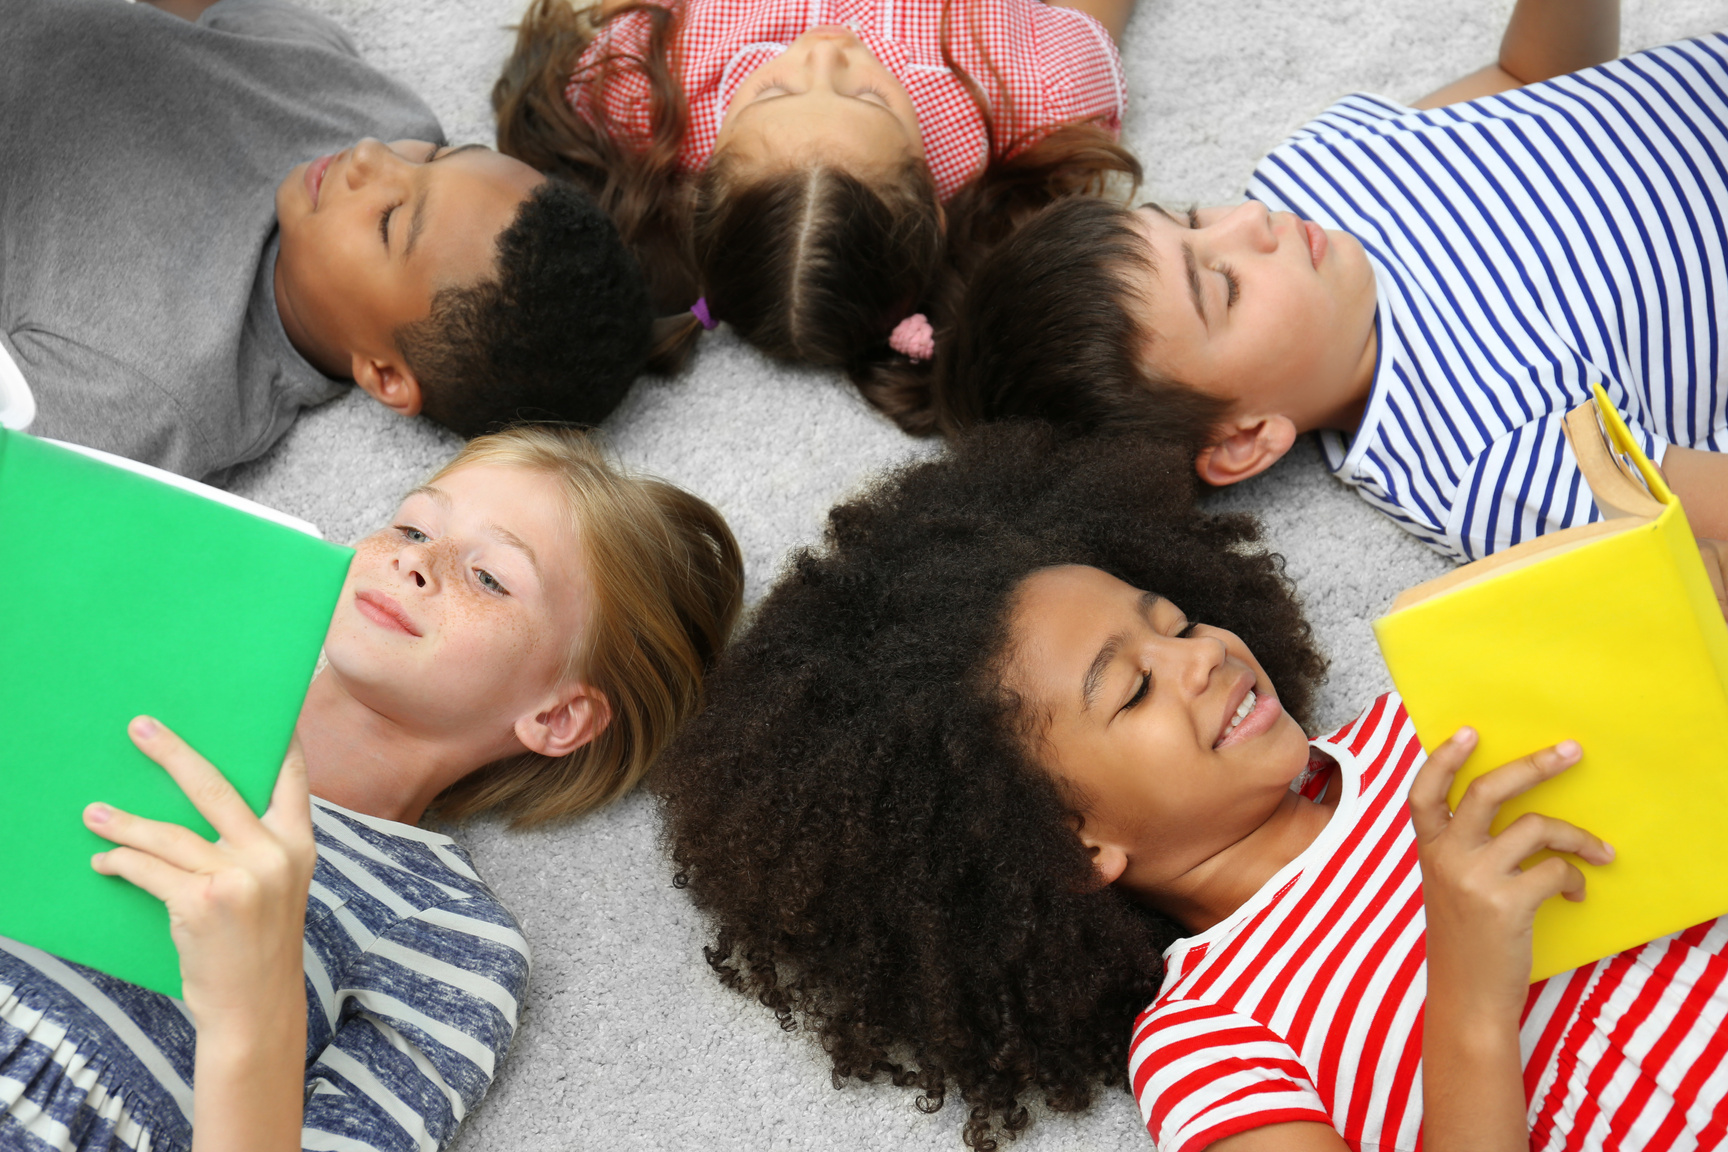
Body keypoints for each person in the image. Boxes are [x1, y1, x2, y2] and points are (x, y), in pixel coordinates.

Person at [653, 424, 1728, 1151]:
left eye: (1172, 619)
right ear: (1070, 843)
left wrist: (1673, 590)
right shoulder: (1207, 1037)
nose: (1202, 654)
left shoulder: (1428, 719)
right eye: (1131, 691)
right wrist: (1472, 983)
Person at [1, 425, 743, 1151]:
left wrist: (250, 1011)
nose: (416, 564)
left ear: (557, 714)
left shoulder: (450, 936)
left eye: (489, 577)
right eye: (413, 528)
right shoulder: (127, 674)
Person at [940, 0, 1728, 563]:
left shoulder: (1314, 172)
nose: (1249, 224)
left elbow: (1529, 77)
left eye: (1188, 218)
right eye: (1224, 286)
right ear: (1247, 438)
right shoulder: (1480, 459)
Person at [2, 0, 654, 483]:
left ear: (385, 375)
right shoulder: (368, 114)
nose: (371, 156)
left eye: (389, 222)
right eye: (434, 154)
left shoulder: (153, 393)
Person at [492, 0, 1139, 430]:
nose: (824, 51)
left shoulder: (643, 92)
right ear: (935, 204)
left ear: (702, 182)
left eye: (772, 92)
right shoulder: (1030, 90)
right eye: (869, 98)